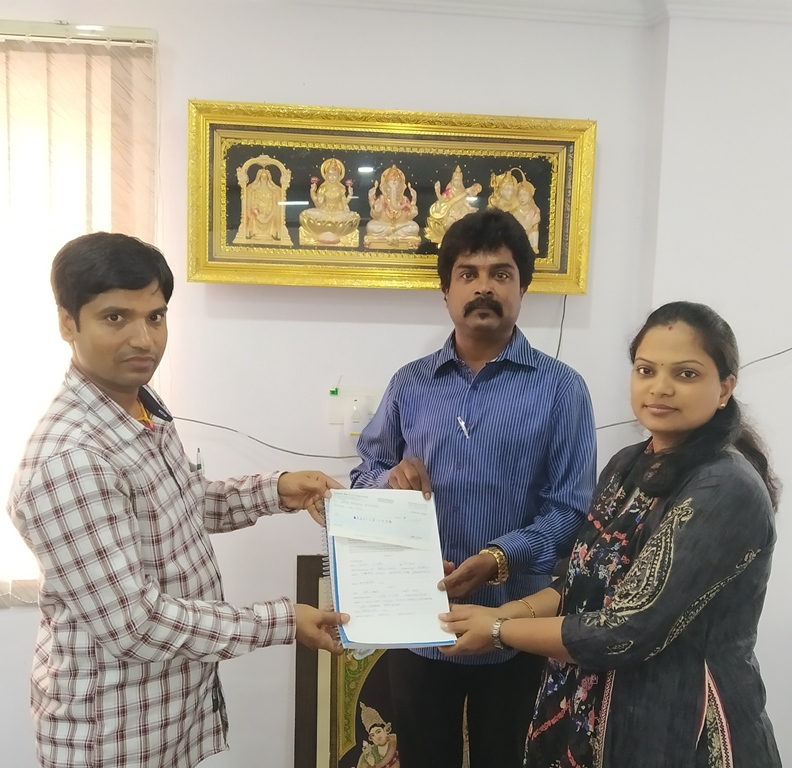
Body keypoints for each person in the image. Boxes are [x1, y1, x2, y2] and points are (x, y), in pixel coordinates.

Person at [6, 232, 349, 768]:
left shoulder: (138, 407)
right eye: (115, 318)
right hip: (111, 734)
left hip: (167, 712)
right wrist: (283, 621)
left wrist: (275, 490)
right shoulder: (70, 460)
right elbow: (136, 624)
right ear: (68, 323)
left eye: (156, 317)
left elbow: (178, 507)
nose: (143, 339)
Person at [441, 301, 782, 768]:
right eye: (646, 370)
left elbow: (627, 627)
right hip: (591, 717)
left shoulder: (725, 486)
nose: (660, 387)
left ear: (725, 388)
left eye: (686, 374)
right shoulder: (628, 464)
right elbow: (581, 580)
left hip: (681, 728)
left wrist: (499, 631)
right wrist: (501, 612)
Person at [351, 208, 597, 768]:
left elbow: (571, 510)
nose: (484, 286)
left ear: (523, 288)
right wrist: (388, 479)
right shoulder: (411, 384)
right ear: (446, 291)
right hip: (419, 623)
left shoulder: (562, 390)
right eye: (468, 273)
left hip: (517, 629)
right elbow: (364, 471)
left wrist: (497, 558)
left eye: (500, 274)